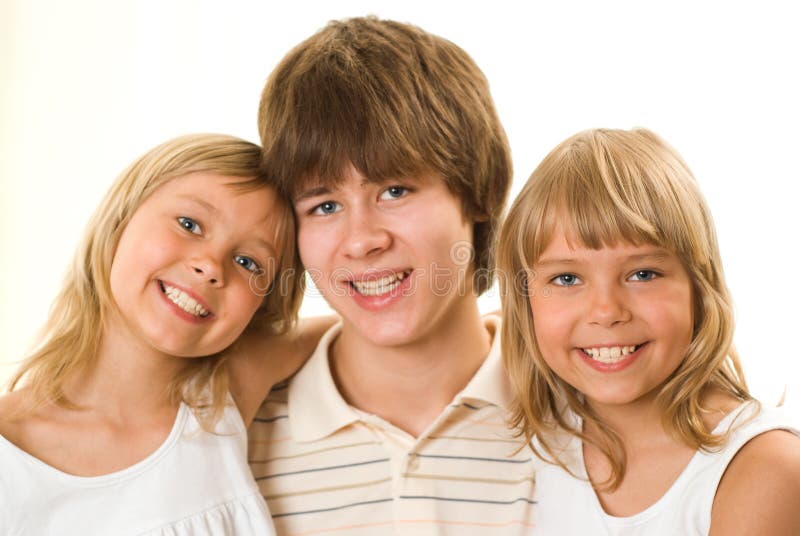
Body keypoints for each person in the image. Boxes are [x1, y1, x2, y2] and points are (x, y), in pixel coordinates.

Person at [247, 17, 536, 534]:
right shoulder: (237, 439)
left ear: (478, 192)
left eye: (395, 191)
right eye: (325, 205)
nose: (361, 240)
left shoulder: (581, 421)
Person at [0, 133, 322, 535]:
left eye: (248, 261)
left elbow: (355, 326)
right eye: (189, 224)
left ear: (262, 306)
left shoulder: (225, 396)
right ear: (121, 219)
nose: (211, 266)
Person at [497, 127, 800, 535]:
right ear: (524, 301)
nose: (606, 312)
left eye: (643, 274)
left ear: (699, 287)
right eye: (567, 279)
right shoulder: (533, 440)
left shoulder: (763, 469)